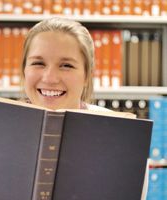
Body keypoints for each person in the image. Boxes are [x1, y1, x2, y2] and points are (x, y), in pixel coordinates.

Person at [19, 17, 148, 200]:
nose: (50, 78)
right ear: (24, 70)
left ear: (87, 76)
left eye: (66, 65)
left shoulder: (122, 136)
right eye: (38, 63)